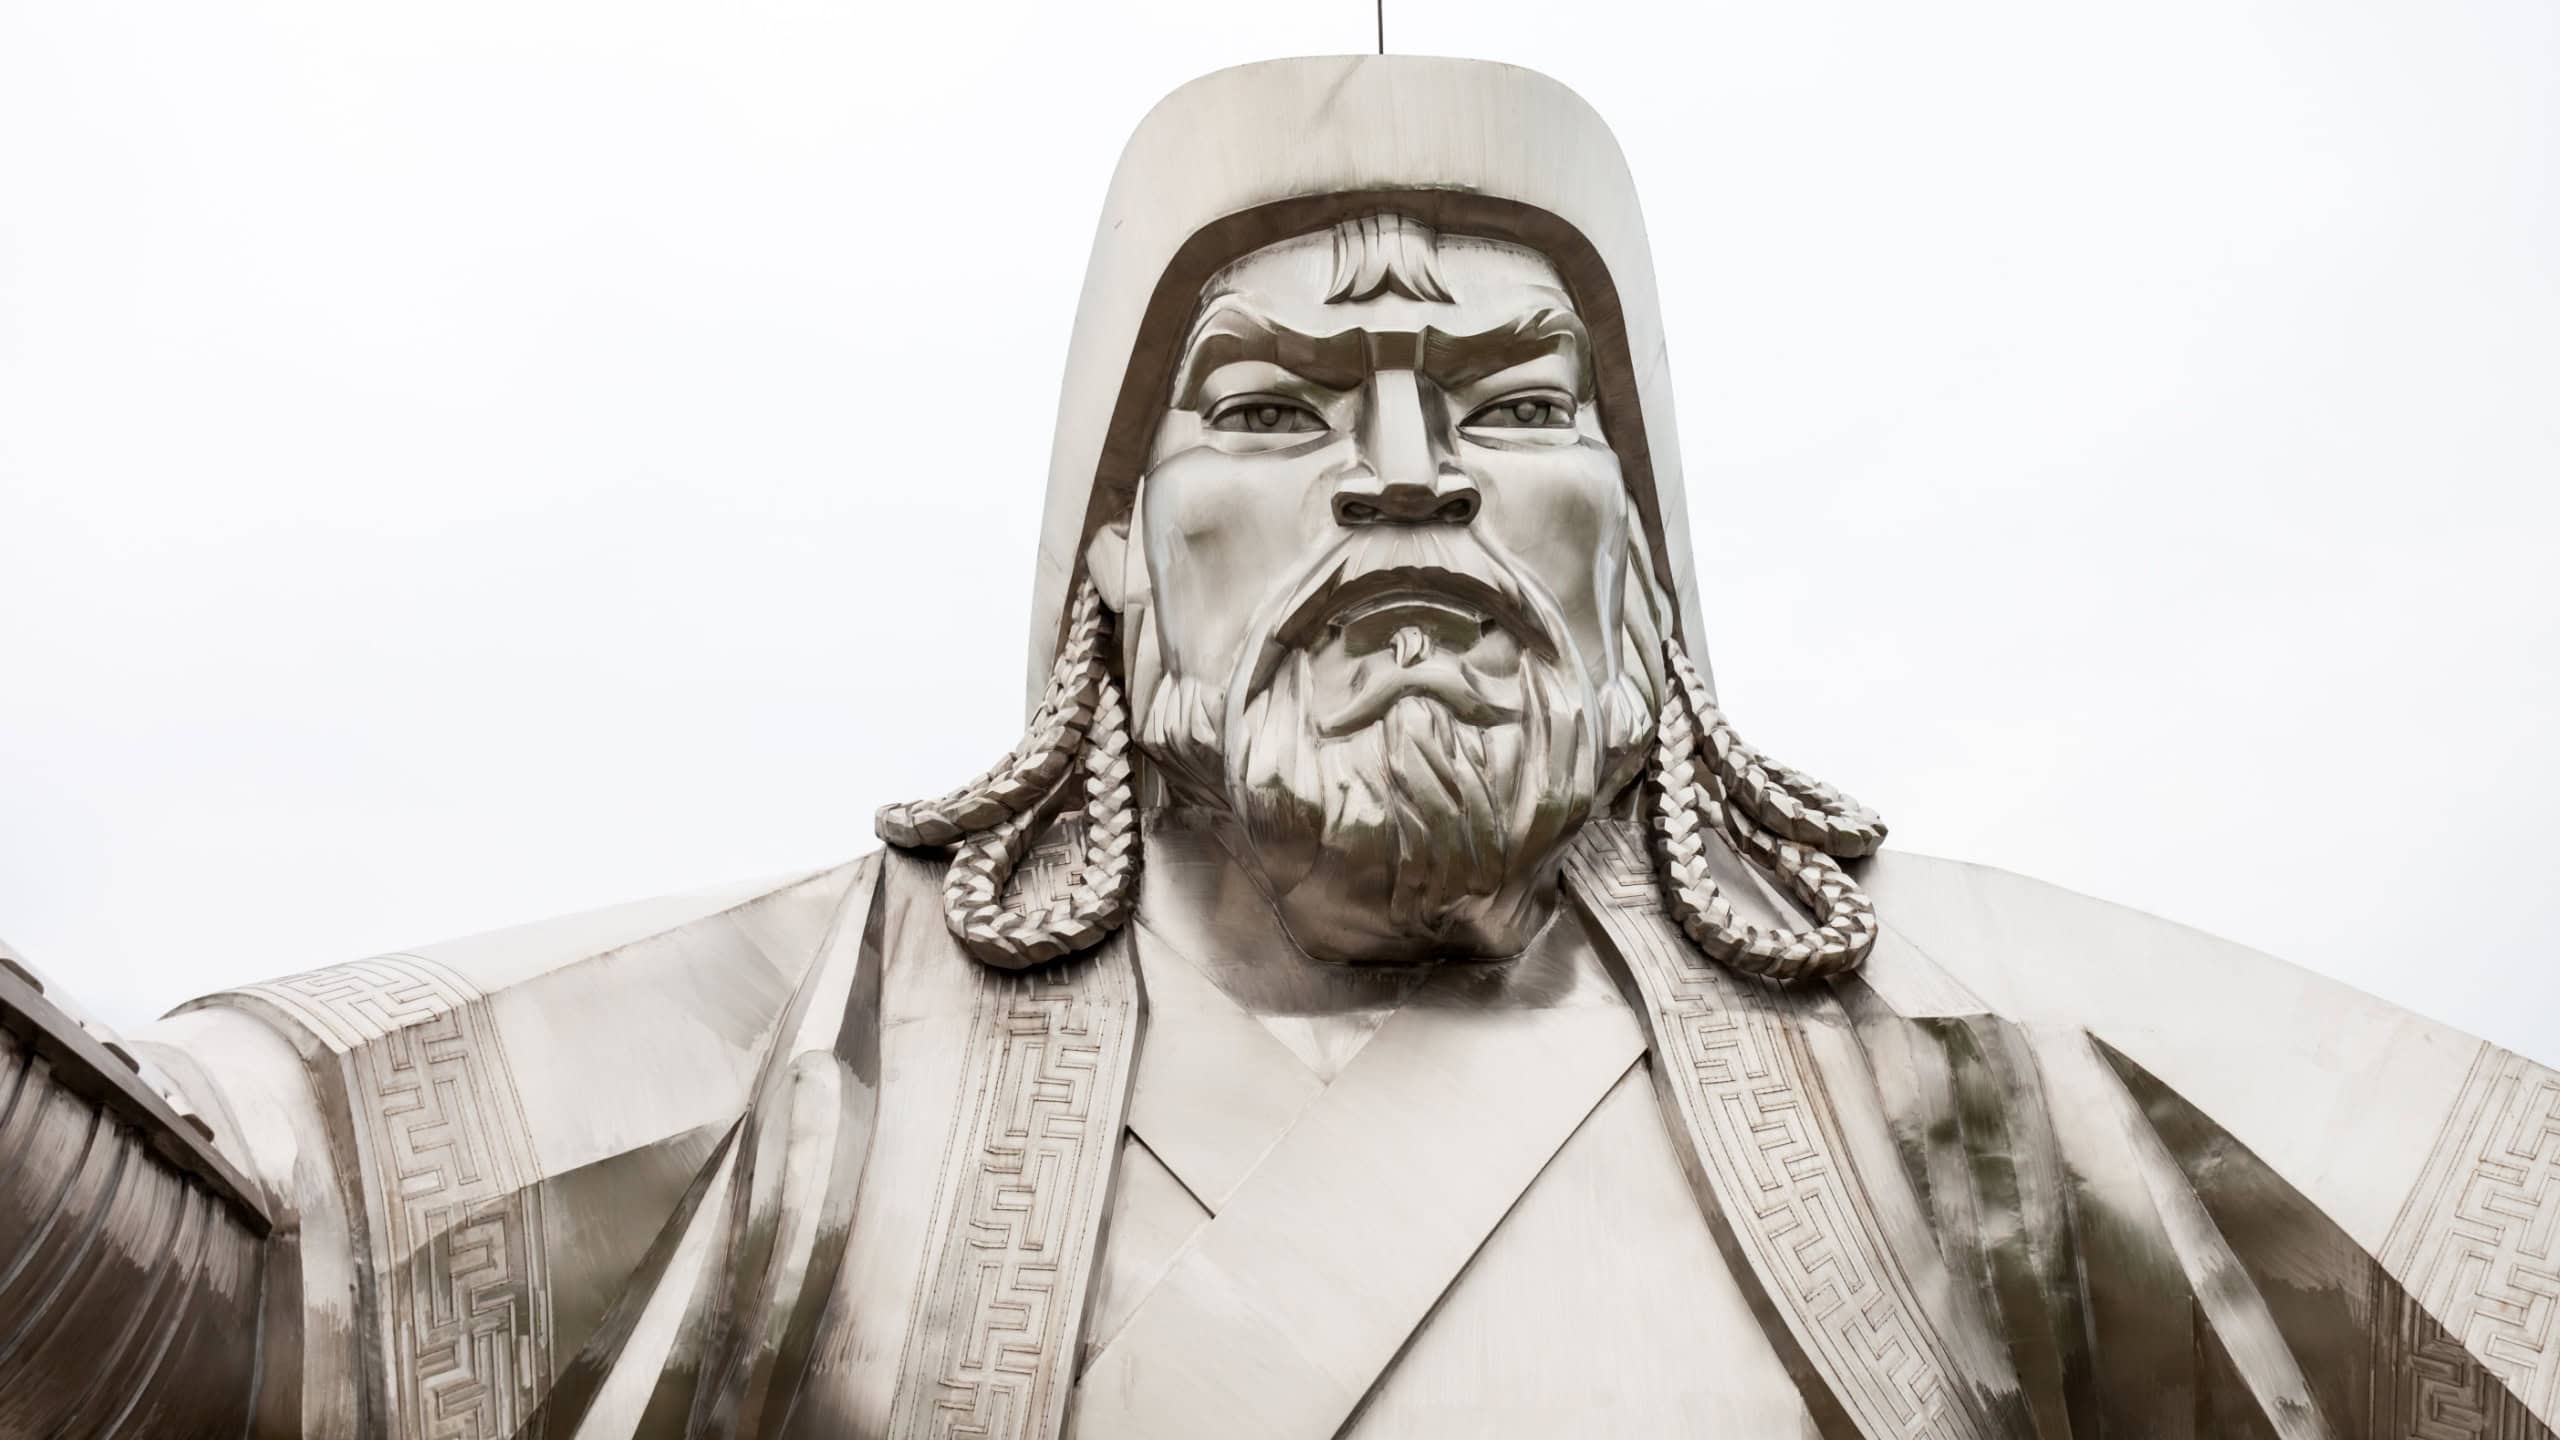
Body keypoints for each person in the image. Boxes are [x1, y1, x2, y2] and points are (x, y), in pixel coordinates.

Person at [4, 56, 2551, 1440]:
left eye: (1512, 392)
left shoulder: (1983, 1081)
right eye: (1278, 396)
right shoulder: (834, 1069)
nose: (1408, 459)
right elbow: (221, 1296)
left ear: (1641, 557)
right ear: (1114, 557)